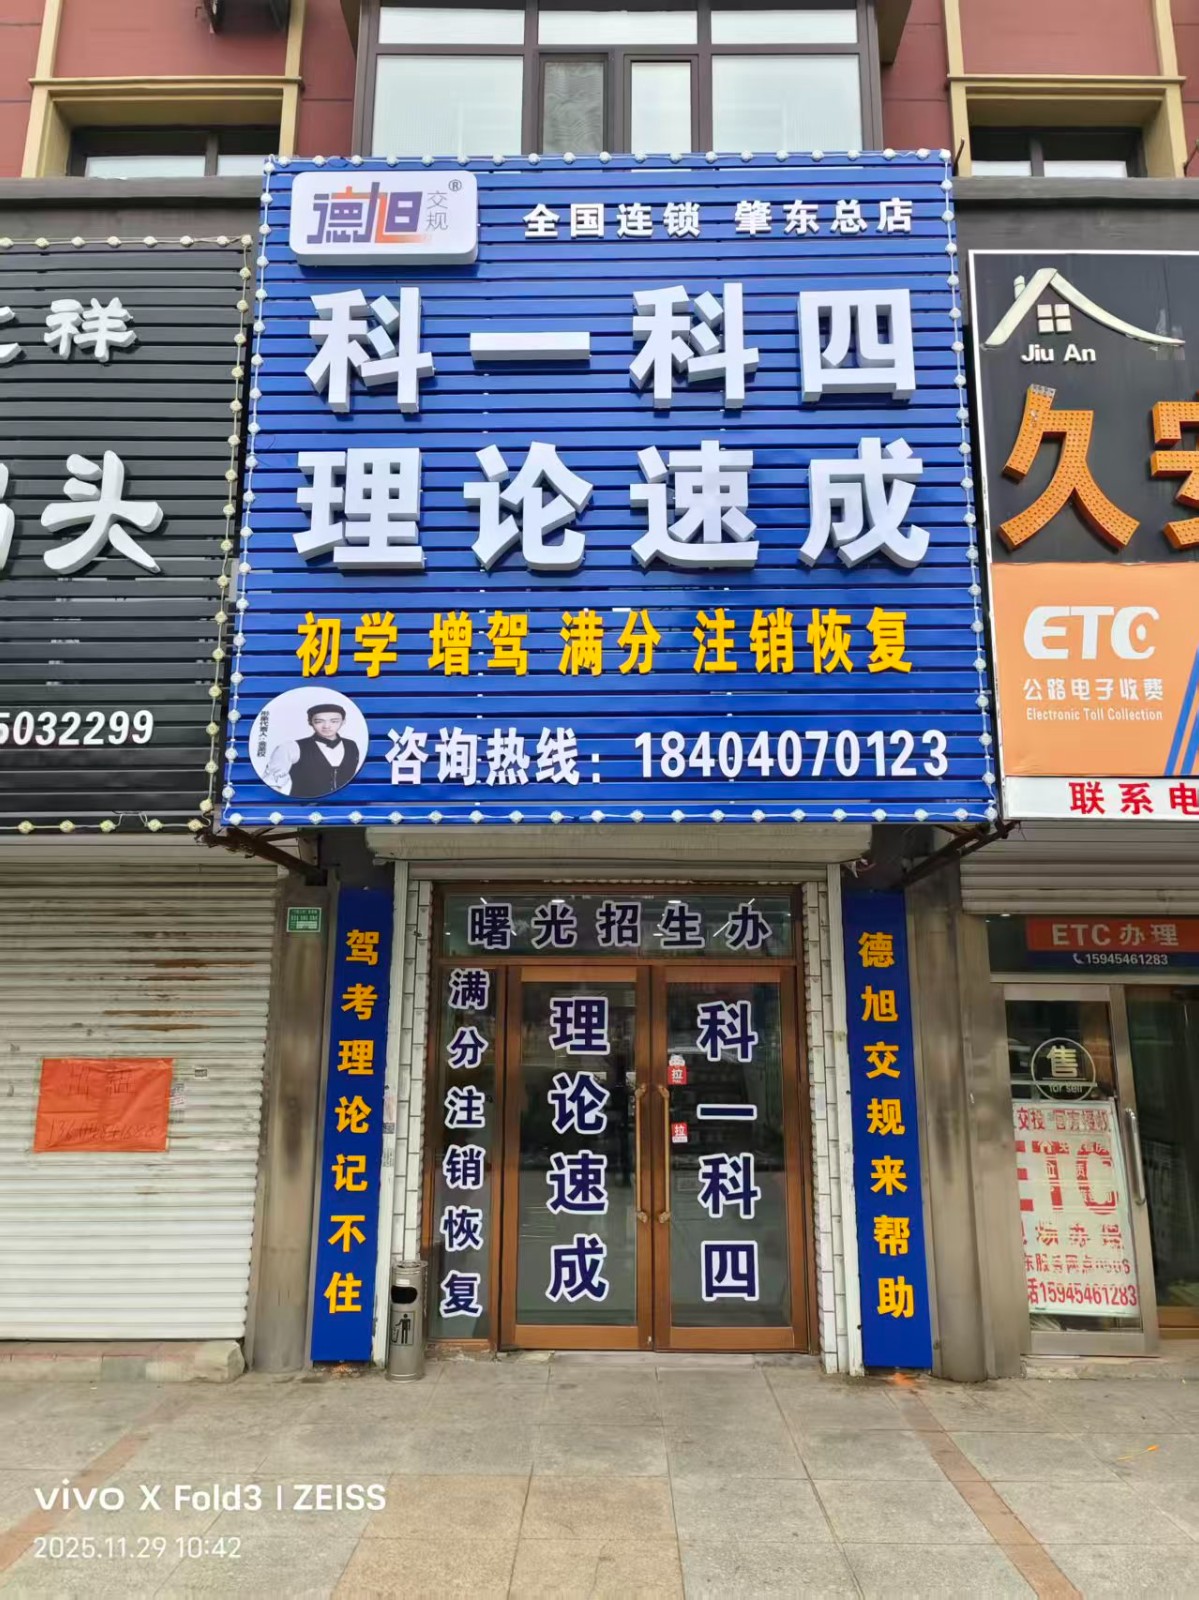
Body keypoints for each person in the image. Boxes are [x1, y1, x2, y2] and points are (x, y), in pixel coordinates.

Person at [264, 703, 360, 799]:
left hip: (346, 804)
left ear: (343, 721)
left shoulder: (351, 745)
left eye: (334, 721)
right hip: (304, 806)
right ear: (310, 722)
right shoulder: (291, 747)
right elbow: (272, 784)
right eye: (319, 721)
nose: (327, 726)